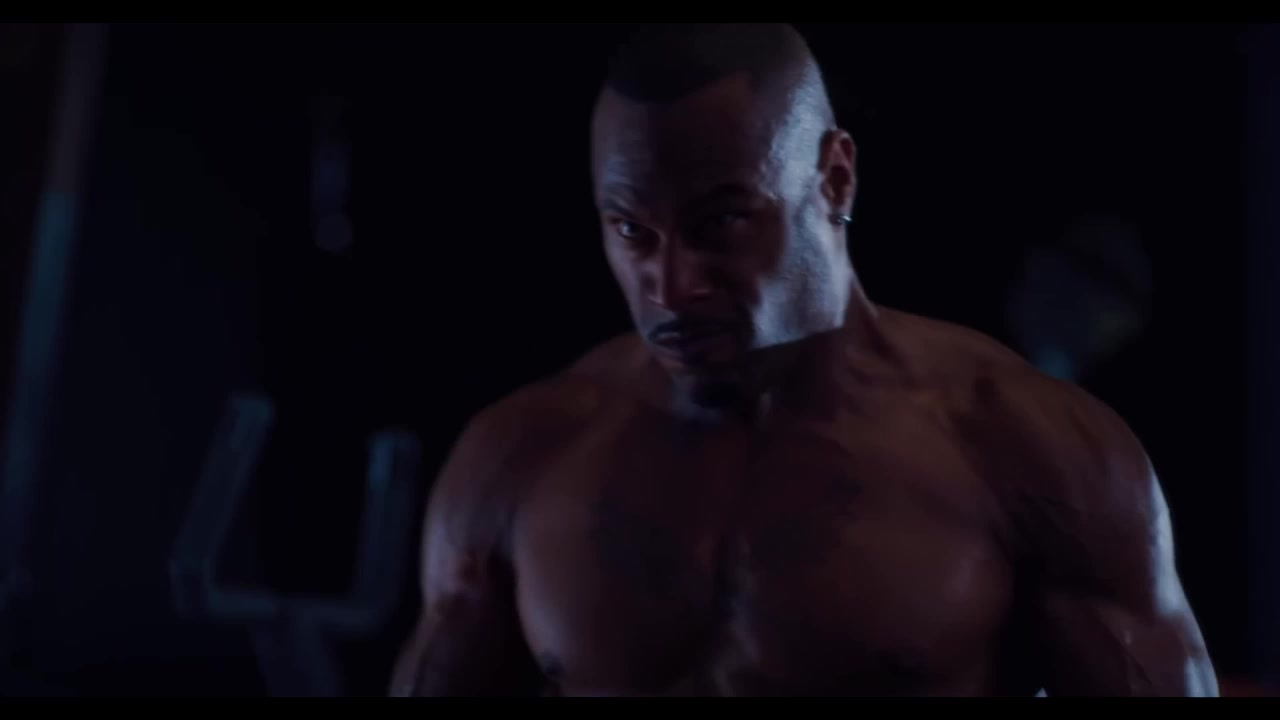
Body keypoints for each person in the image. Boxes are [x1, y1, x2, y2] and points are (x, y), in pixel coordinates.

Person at [388, 23, 1217, 696]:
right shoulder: (521, 457)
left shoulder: (1024, 451)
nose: (671, 286)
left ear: (834, 179)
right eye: (633, 231)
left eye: (721, 223)